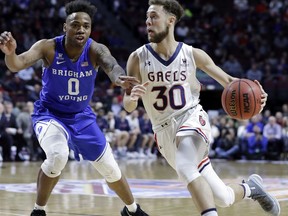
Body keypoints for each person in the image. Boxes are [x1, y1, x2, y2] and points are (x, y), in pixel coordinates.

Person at [122, 0, 280, 216]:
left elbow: (230, 81)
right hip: (164, 133)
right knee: (224, 197)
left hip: (192, 120)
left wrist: (256, 91)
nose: (148, 22)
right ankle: (251, 188)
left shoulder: (192, 54)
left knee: (187, 168)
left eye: (154, 16)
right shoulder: (137, 58)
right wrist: (132, 97)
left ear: (171, 20)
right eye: (147, 17)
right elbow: (128, 105)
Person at [0, 1, 148, 216]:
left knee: (110, 168)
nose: (81, 29)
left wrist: (119, 79)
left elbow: (112, 66)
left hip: (81, 117)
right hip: (49, 114)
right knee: (58, 155)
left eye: (86, 26)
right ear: (65, 27)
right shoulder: (48, 47)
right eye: (75, 24)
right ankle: (38, 210)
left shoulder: (96, 49)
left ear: (90, 29)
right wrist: (10, 53)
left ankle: (132, 210)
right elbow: (16, 64)